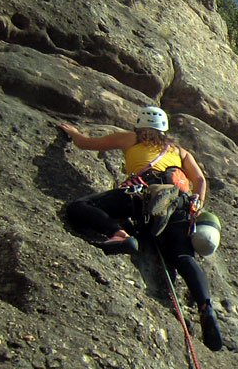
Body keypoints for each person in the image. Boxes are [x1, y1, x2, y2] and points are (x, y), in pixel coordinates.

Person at [60, 106, 223, 351]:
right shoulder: (180, 152)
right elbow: (200, 180)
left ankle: (118, 234)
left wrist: (73, 133)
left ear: (139, 125)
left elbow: (86, 143)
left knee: (79, 207)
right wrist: (197, 203)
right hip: (177, 203)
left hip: (139, 195)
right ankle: (206, 307)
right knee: (183, 256)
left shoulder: (131, 138)